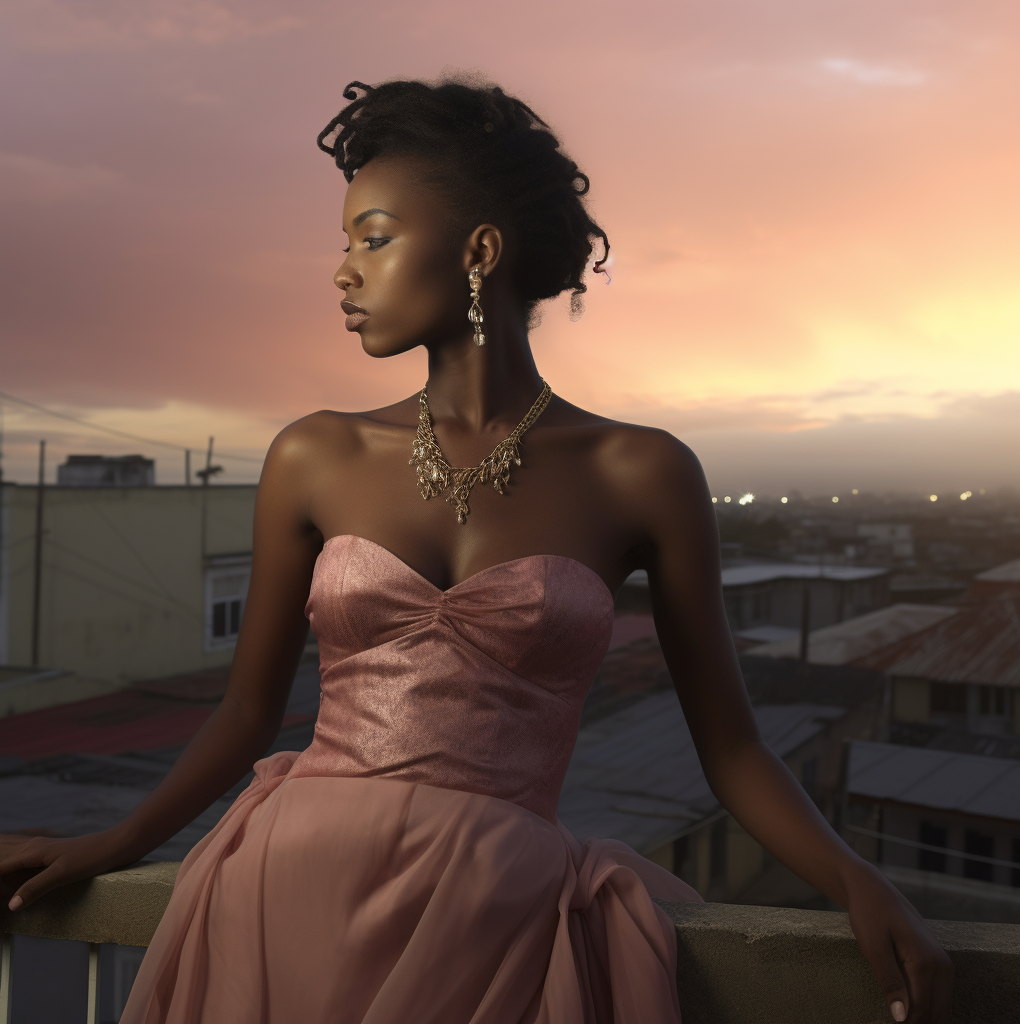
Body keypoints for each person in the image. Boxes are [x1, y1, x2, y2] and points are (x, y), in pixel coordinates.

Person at [0, 77, 952, 1024]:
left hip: (492, 920)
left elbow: (733, 746)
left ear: (479, 251)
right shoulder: (313, 455)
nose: (343, 271)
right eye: (345, 245)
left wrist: (853, 876)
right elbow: (248, 713)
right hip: (283, 895)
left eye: (373, 238)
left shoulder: (642, 472)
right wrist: (112, 841)